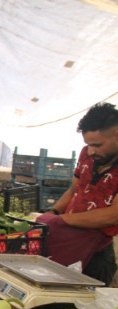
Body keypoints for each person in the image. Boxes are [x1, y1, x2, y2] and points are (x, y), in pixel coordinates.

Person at [36, 102, 118, 285]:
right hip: (69, 239)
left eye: (96, 145)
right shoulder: (87, 154)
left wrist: (61, 221)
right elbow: (74, 190)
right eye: (87, 145)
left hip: (96, 252)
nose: (90, 151)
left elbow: (114, 215)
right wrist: (53, 212)